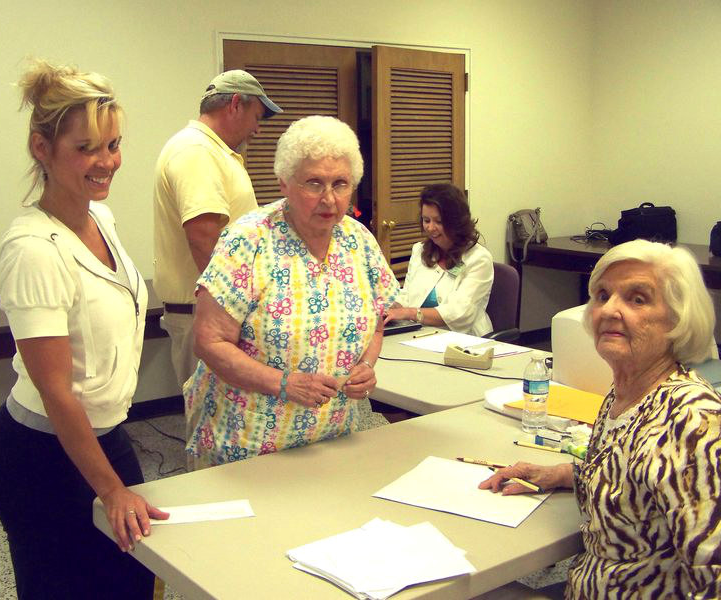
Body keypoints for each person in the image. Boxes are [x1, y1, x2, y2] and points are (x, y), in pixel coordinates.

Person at [0, 60, 168, 600]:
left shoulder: (98, 219)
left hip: (105, 434)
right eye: (86, 148)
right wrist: (110, 490)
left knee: (134, 577)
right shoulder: (33, 250)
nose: (106, 161)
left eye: (112, 144)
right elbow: (56, 390)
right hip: (38, 456)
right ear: (42, 148)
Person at [479, 239, 721, 598]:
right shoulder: (626, 389)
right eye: (603, 295)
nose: (609, 310)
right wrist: (563, 474)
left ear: (678, 318)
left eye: (637, 299)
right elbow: (634, 478)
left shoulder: (693, 422)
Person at [182, 115, 400, 469]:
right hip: (249, 445)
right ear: (284, 183)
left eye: (341, 184)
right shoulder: (248, 240)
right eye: (314, 183)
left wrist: (366, 366)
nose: (329, 199)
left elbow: (377, 321)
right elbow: (209, 342)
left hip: (333, 438)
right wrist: (284, 384)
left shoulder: (358, 240)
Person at [153, 70, 282, 387]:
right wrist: (236, 313)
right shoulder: (197, 152)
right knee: (215, 425)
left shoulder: (211, 151)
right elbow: (204, 240)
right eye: (257, 117)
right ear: (236, 104)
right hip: (211, 314)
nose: (258, 130)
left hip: (216, 311)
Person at [384, 183, 493, 336]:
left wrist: (409, 313)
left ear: (456, 222)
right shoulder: (419, 250)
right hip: (420, 335)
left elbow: (460, 314)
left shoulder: (479, 259)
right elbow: (407, 295)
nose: (430, 228)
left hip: (465, 341)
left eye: (438, 221)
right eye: (426, 220)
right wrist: (392, 307)